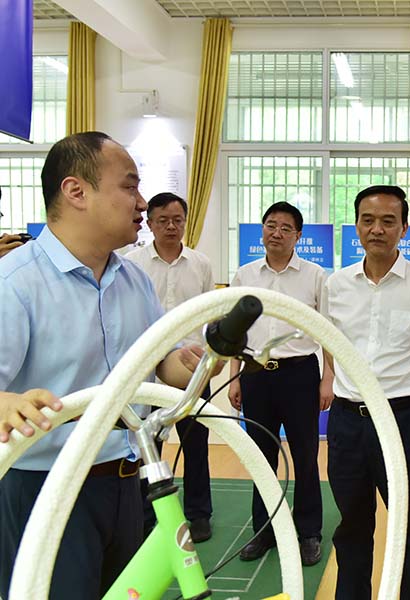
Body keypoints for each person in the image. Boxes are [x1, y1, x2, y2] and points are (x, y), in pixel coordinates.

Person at [0, 131, 209, 599]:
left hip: (126, 483)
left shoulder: (133, 279)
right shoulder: (14, 284)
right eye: (129, 186)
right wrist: (7, 402)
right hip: (47, 491)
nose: (142, 203)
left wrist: (198, 362)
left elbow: (163, 365)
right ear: (76, 192)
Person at [321, 184, 410, 600]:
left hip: (404, 422)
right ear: (356, 226)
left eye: (387, 221)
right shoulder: (336, 285)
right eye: (367, 220)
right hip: (348, 423)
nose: (376, 229)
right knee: (351, 525)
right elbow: (329, 344)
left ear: (404, 228)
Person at [227, 201, 332, 566]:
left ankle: (308, 533)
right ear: (262, 230)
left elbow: (327, 332)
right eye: (271, 225)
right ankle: (264, 530)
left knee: (305, 456)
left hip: (300, 375)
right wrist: (234, 377)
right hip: (255, 374)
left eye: (286, 228)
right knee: (261, 457)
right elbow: (236, 331)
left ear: (298, 236)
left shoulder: (315, 276)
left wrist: (328, 379)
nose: (277, 233)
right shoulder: (245, 275)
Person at [126, 192, 215, 543]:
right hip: (147, 369)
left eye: (177, 220)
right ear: (149, 223)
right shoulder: (132, 263)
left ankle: (199, 514)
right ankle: (148, 514)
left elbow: (210, 314)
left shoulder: (201, 264)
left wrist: (210, 359)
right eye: (163, 220)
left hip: (191, 368)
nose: (171, 226)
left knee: (196, 444)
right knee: (148, 444)